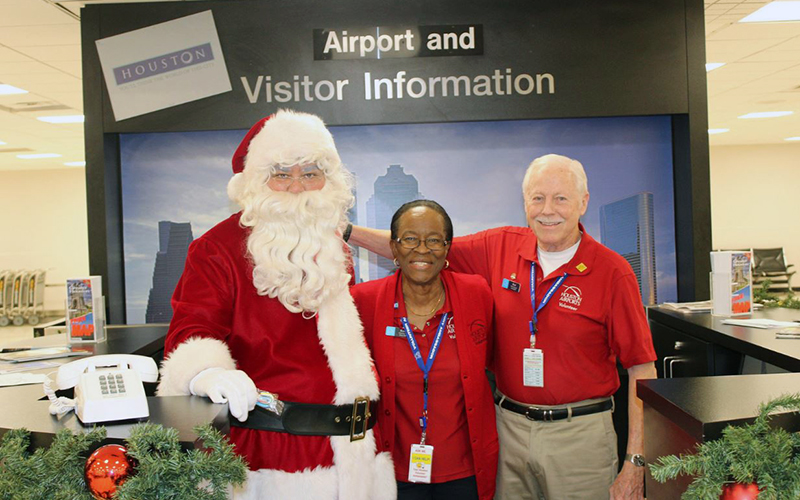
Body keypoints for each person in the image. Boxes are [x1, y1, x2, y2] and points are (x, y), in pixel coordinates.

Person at [348, 154, 658, 500]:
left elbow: (642, 369)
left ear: (583, 202)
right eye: (538, 198)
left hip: (579, 436)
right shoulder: (500, 246)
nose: (547, 210)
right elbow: (418, 250)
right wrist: (346, 231)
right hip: (508, 431)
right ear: (525, 202)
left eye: (561, 198)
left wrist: (635, 461)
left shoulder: (612, 272)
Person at [156, 110, 395, 500]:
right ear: (256, 183)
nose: (298, 187)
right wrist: (207, 372)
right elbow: (191, 330)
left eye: (311, 172)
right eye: (282, 174)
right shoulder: (216, 249)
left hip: (357, 453)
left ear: (329, 180)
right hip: (271, 457)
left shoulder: (331, 243)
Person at [351, 200, 498, 500]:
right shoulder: (364, 301)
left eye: (433, 240)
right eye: (409, 239)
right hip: (394, 471)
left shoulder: (476, 294)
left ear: (447, 248)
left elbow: (491, 360)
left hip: (465, 471)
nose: (422, 249)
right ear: (393, 248)